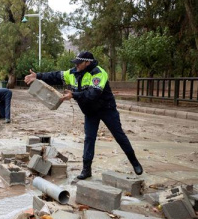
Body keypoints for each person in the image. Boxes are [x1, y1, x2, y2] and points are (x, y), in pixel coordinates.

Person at [24, 51, 143, 179]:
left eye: (79, 63)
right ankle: (86, 170)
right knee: (89, 139)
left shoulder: (98, 73)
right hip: (90, 112)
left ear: (87, 62)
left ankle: (134, 162)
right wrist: (38, 76)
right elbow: (56, 76)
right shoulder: (73, 73)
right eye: (76, 63)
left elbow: (93, 94)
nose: (76, 66)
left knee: (119, 135)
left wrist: (74, 95)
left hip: (106, 109)